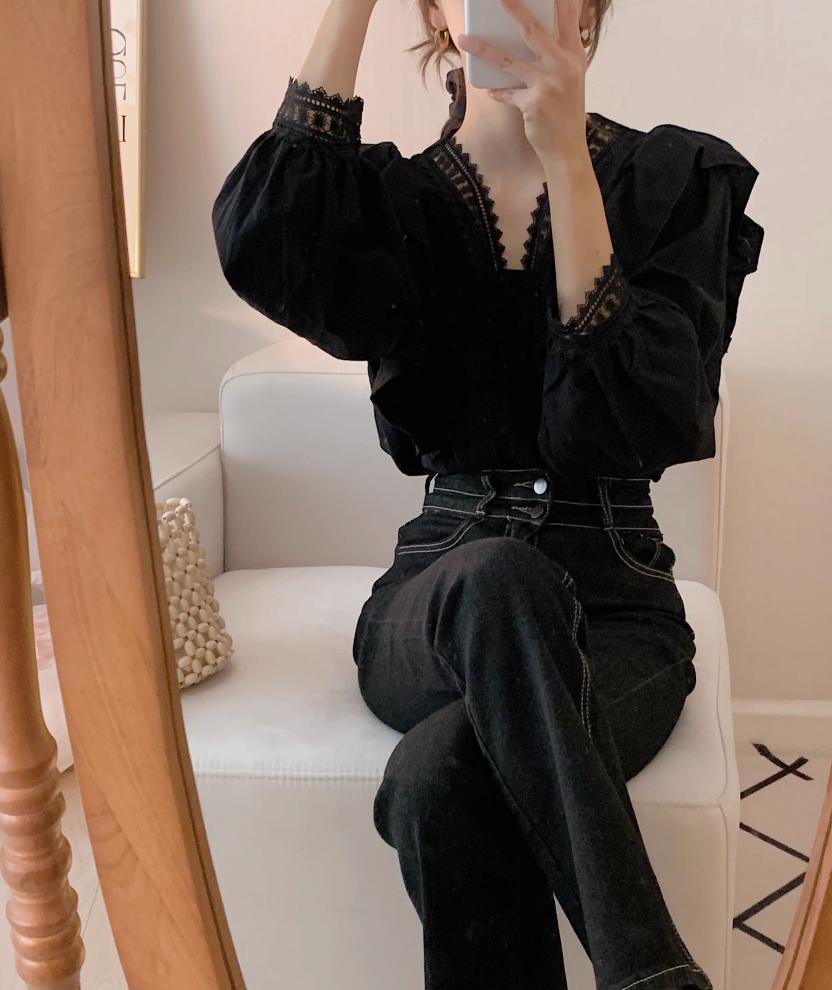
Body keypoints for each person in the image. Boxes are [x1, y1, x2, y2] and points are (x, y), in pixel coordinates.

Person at [211, 1, 765, 987]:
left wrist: (570, 164)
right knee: (497, 575)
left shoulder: (674, 181)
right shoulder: (389, 204)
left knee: (439, 778)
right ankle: (652, 972)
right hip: (438, 597)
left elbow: (648, 420)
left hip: (617, 607)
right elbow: (263, 236)